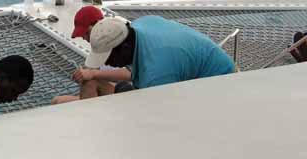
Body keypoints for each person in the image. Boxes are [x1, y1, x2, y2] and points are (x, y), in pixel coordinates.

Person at [54, 15, 235, 104]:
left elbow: (157, 122)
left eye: (109, 57)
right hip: (188, 77)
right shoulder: (141, 26)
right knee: (91, 81)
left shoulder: (157, 73)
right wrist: (93, 73)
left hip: (219, 92)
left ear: (124, 48)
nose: (107, 63)